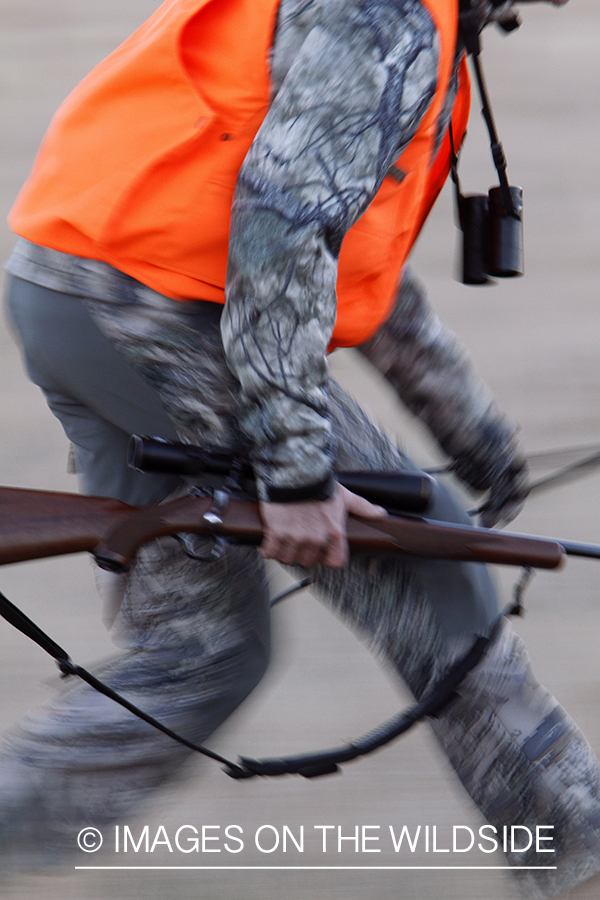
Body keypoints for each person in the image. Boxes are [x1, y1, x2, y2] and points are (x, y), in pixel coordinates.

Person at [2, 0, 598, 895]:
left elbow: (341, 250)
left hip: (76, 292)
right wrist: (297, 473)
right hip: (154, 308)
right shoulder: (390, 14)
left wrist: (470, 428)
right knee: (426, 560)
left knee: (203, 655)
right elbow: (282, 232)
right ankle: (578, 849)